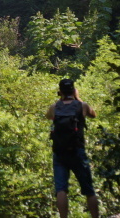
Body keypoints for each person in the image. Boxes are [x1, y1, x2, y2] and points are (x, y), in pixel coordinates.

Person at [46, 78, 99, 218]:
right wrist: (78, 98)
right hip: (77, 151)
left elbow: (48, 117)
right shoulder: (82, 105)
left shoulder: (54, 107)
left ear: (60, 91)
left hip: (59, 152)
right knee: (89, 190)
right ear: (74, 90)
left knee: (61, 190)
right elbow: (93, 115)